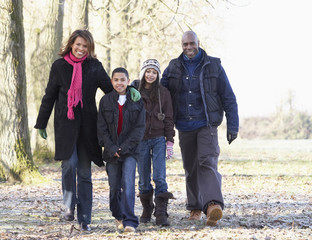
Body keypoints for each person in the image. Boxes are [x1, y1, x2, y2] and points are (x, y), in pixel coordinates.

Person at [34, 30, 140, 231]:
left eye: (85, 46)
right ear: (71, 44)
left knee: (84, 172)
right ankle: (68, 205)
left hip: (88, 126)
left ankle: (85, 219)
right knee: (69, 165)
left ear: (89, 48)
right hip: (65, 125)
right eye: (78, 45)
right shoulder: (59, 66)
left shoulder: (94, 66)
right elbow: (50, 95)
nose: (81, 49)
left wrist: (130, 88)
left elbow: (111, 89)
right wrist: (41, 122)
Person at [160, 31, 239, 226]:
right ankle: (195, 207)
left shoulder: (214, 65)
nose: (188, 47)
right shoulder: (173, 67)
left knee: (207, 161)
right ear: (181, 45)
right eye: (185, 44)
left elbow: (228, 97)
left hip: (207, 123)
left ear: (198, 43)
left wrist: (233, 125)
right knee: (190, 167)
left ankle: (212, 205)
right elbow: (160, 95)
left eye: (192, 43)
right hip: (184, 126)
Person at [97, 67, 145, 233]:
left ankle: (130, 221)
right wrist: (111, 148)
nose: (119, 83)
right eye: (116, 80)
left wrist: (123, 148)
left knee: (128, 183)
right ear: (112, 81)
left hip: (130, 151)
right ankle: (118, 216)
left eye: (122, 80)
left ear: (128, 81)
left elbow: (139, 129)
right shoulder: (105, 101)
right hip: (111, 153)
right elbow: (101, 128)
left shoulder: (136, 100)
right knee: (114, 187)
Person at [132, 59, 175, 226]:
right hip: (141, 140)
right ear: (143, 72)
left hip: (158, 139)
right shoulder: (134, 90)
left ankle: (161, 212)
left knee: (159, 176)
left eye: (154, 72)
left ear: (158, 75)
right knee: (143, 178)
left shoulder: (163, 92)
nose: (151, 75)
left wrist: (169, 140)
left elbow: (169, 117)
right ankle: (147, 208)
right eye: (148, 71)